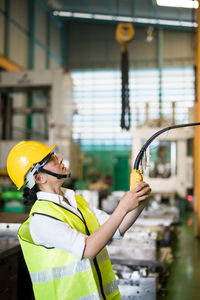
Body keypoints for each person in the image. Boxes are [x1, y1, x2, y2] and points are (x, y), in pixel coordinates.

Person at [7, 141, 151, 300]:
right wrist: (123, 207)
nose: (60, 159)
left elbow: (115, 228)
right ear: (39, 177)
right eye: (51, 159)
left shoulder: (75, 200)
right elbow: (88, 249)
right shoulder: (41, 219)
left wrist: (139, 201)